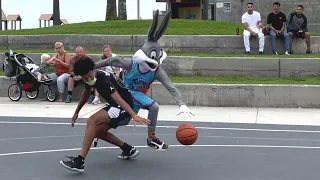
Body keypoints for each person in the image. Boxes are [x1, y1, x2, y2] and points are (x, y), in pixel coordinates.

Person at [95, 9, 194, 152]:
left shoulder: (156, 70)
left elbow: (170, 86)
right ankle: (149, 138)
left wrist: (182, 104)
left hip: (138, 95)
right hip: (126, 92)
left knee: (127, 119)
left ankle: (103, 132)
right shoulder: (131, 64)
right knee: (140, 113)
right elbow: (111, 60)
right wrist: (92, 66)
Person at [60, 57, 151, 173]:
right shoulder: (91, 77)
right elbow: (86, 92)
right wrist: (77, 112)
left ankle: (80, 162)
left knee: (91, 121)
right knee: (97, 131)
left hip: (122, 105)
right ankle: (128, 149)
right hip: (117, 104)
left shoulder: (103, 80)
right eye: (85, 78)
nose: (89, 79)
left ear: (94, 69)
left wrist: (134, 115)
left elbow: (119, 100)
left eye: (89, 75)